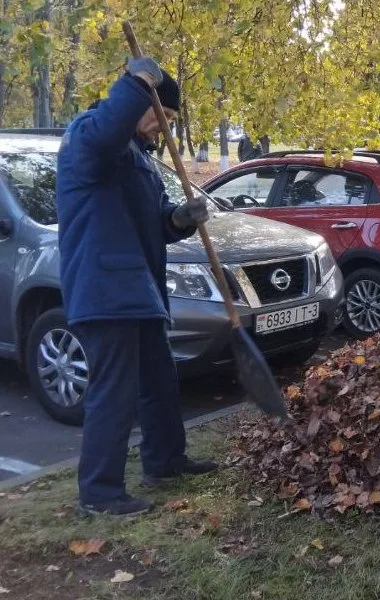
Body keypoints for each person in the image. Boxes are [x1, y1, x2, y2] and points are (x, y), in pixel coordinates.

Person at [57, 57, 217, 516]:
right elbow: (108, 129)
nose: (162, 129)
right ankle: (100, 492)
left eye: (171, 122)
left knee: (158, 382)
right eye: (160, 117)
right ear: (138, 103)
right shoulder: (91, 137)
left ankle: (165, 461)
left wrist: (180, 220)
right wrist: (133, 83)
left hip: (139, 291)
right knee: (116, 391)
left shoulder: (137, 157)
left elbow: (154, 224)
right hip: (105, 291)